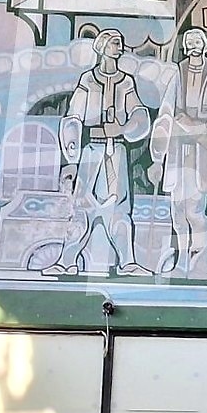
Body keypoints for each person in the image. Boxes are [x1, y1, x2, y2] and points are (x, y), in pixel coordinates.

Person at [48, 30, 151, 277]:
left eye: (120, 42)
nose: (120, 47)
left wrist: (124, 128)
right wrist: (72, 158)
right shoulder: (88, 80)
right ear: (103, 47)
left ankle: (128, 263)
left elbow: (139, 113)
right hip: (92, 151)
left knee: (119, 209)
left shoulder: (126, 82)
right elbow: (73, 116)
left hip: (116, 152)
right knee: (82, 208)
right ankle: (66, 261)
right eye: (115, 42)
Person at [150, 28, 207, 280]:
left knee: (195, 212)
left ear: (204, 46)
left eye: (197, 41)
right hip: (177, 153)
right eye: (189, 41)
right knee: (178, 213)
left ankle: (201, 265)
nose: (193, 45)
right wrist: (157, 157)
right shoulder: (177, 76)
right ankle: (180, 263)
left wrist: (204, 126)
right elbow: (165, 115)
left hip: (201, 154)